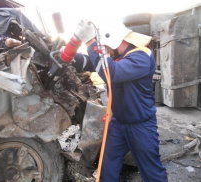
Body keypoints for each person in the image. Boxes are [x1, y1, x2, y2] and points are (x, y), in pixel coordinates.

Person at [72, 19, 168, 182]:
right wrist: (72, 56)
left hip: (140, 125)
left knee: (152, 171)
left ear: (113, 40)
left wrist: (90, 42)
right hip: (118, 123)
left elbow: (111, 72)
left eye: (105, 46)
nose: (104, 51)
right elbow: (92, 62)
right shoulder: (119, 56)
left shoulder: (142, 56)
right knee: (107, 164)